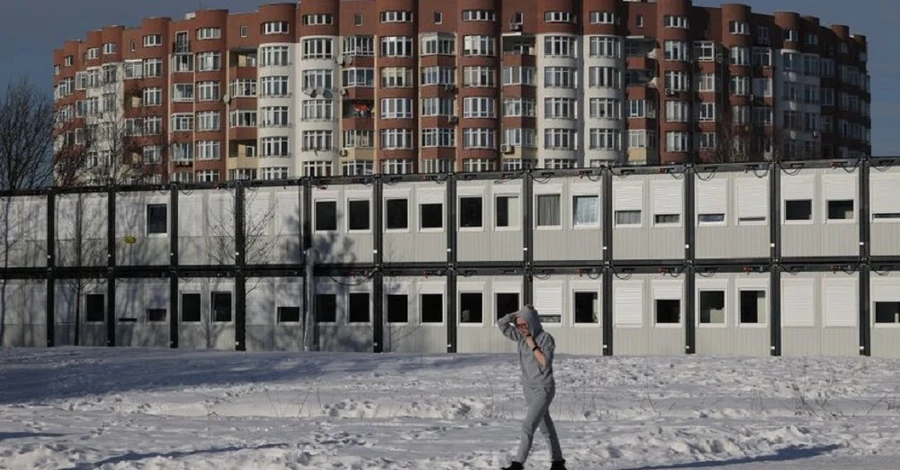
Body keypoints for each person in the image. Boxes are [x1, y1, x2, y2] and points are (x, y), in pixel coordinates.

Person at [497, 305, 566, 470]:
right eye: (518, 325)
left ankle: (517, 464)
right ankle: (558, 462)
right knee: (545, 427)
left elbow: (545, 363)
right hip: (528, 388)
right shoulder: (520, 337)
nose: (521, 328)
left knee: (528, 426)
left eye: (524, 324)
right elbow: (501, 324)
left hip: (544, 388)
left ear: (532, 322)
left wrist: (532, 343)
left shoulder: (545, 338)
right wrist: (515, 313)